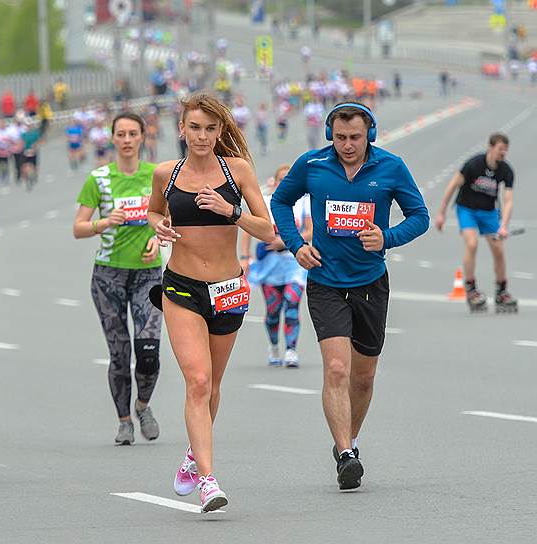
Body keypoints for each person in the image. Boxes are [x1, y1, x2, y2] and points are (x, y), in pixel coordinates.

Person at [271, 102, 429, 491]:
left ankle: (350, 441)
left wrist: (386, 238)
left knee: (364, 375)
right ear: (330, 135)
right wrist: (296, 245)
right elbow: (280, 201)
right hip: (325, 280)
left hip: (371, 282)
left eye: (355, 137)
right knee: (337, 369)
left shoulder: (391, 167)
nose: (347, 145)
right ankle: (345, 455)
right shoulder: (312, 165)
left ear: (370, 134)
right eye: (340, 137)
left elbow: (419, 216)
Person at [146, 92, 274, 512]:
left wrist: (230, 210)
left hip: (227, 288)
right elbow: (153, 212)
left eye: (210, 128)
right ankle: (208, 480)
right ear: (181, 129)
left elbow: (268, 231)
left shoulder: (237, 172)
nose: (201, 136)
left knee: (213, 385)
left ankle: (191, 455)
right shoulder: (166, 173)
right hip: (181, 287)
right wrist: (160, 227)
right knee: (198, 381)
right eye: (194, 127)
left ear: (220, 132)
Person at [73, 112, 163, 445]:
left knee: (149, 350)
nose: (126, 140)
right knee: (120, 352)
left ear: (143, 137)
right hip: (108, 276)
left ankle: (143, 405)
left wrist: (159, 238)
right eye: (120, 134)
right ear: (112, 139)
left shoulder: (157, 175)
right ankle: (124, 421)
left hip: (149, 274)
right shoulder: (98, 179)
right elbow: (78, 228)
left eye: (132, 134)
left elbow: (170, 217)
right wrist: (104, 222)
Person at [433, 133, 517, 312]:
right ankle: (471, 288)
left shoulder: (505, 170)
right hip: (467, 209)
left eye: (505, 150)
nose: (503, 153)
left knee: (498, 250)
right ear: (491, 147)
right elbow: (453, 185)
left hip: (489, 212)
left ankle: (501, 291)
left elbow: (508, 199)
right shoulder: (474, 164)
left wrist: (504, 226)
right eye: (500, 149)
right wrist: (441, 213)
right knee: (471, 243)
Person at [240, 164, 312, 368]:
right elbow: (247, 230)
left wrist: (288, 241)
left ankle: (291, 350)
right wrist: (245, 257)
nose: (284, 183)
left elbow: (310, 232)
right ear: (275, 182)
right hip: (269, 268)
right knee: (273, 313)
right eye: (281, 179)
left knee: (291, 305)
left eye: (288, 179)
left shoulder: (303, 203)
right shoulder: (265, 203)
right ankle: (274, 347)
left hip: (295, 265)